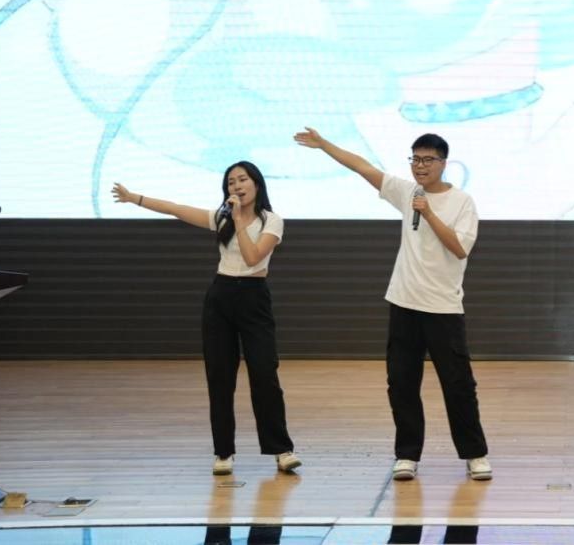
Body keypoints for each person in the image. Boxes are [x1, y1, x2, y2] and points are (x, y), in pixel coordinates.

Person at [293, 127, 491, 482]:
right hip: (404, 303)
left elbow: (460, 248)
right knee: (401, 383)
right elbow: (362, 167)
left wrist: (429, 214)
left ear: (443, 163)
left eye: (428, 160)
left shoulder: (462, 202)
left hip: (443, 308)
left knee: (458, 385)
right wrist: (323, 144)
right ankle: (407, 455)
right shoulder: (406, 191)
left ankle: (475, 454)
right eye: (415, 159)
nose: (420, 166)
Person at [111, 162, 301, 476]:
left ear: (256, 184)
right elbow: (176, 209)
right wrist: (135, 198)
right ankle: (223, 452)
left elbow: (253, 258)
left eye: (242, 180)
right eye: (231, 182)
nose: (236, 186)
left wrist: (238, 220)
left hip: (254, 298)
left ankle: (281, 450)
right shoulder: (221, 218)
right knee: (220, 377)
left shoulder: (272, 221)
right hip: (220, 297)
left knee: (264, 374)